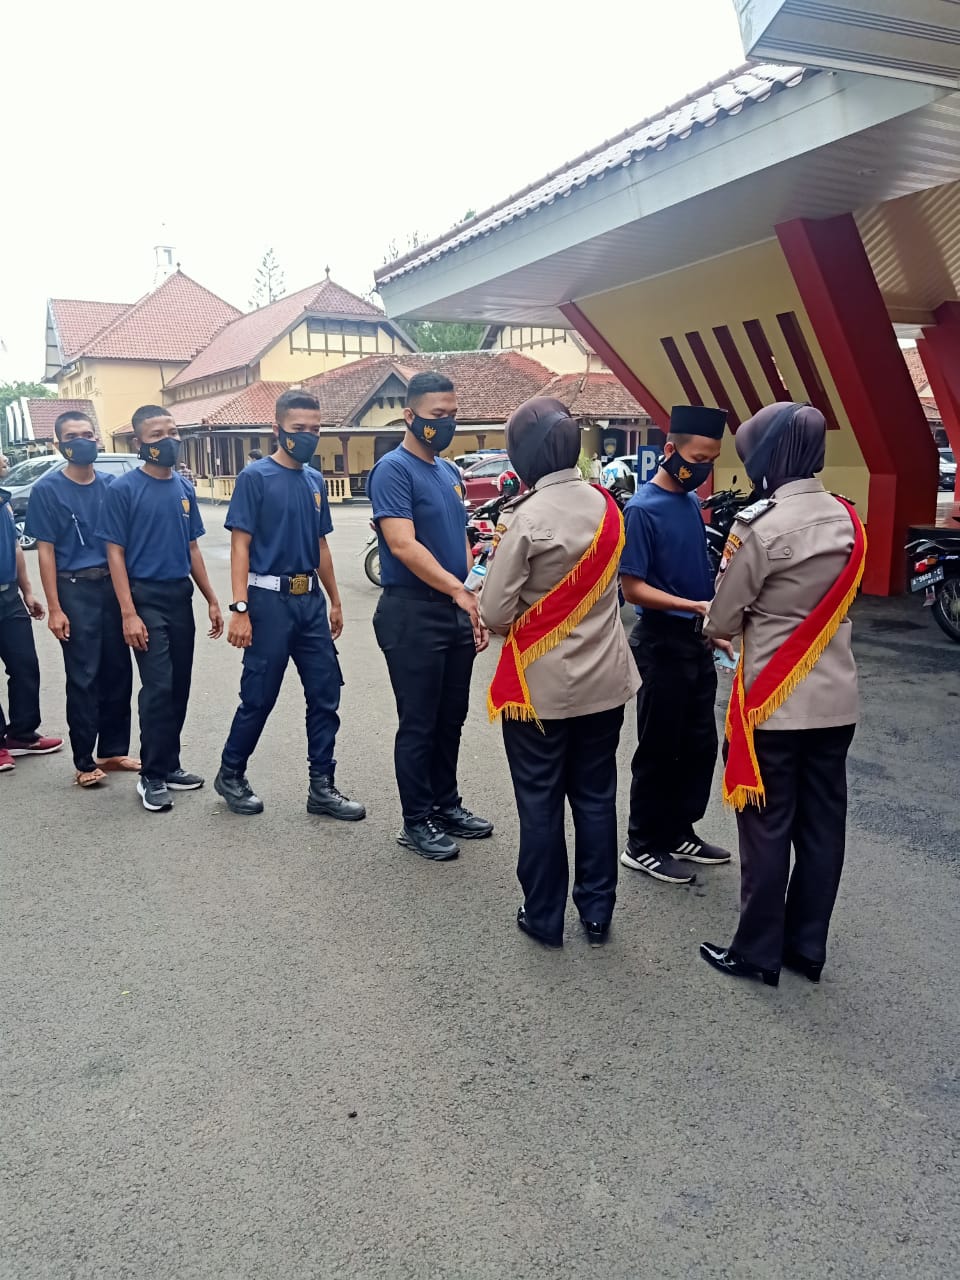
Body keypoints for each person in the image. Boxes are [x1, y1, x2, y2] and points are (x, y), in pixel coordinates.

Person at [699, 403, 865, 987]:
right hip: (836, 700)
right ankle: (805, 948)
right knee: (822, 827)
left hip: (773, 702)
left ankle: (757, 952)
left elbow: (722, 618)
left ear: (769, 456)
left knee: (766, 827)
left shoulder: (759, 526)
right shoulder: (849, 518)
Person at [481, 398, 640, 947]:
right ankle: (597, 912)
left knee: (540, 800)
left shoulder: (524, 517)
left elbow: (494, 612)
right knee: (596, 796)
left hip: (539, 687)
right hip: (607, 681)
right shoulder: (608, 505)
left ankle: (544, 915)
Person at [214, 389, 364, 821]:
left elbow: (321, 546)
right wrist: (239, 609)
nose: (308, 435)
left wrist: (335, 600)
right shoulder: (255, 478)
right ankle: (231, 773)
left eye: (315, 428)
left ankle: (322, 786)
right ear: (277, 429)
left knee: (325, 693)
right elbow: (240, 545)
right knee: (259, 696)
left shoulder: (315, 481)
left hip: (309, 602)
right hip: (268, 601)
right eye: (299, 428)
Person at [367, 371, 493, 861]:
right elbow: (402, 544)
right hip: (411, 612)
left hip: (452, 609)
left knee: (450, 718)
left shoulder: (448, 472)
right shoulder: (393, 470)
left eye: (452, 414)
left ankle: (446, 804)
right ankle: (416, 819)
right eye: (437, 415)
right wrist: (458, 591)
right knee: (419, 721)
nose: (446, 423)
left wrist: (472, 598)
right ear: (410, 415)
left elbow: (458, 540)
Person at [619, 405, 734, 885]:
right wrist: (693, 606)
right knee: (659, 747)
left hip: (695, 641)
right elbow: (632, 589)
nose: (703, 469)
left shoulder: (689, 502)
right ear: (669, 451)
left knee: (698, 745)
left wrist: (710, 627)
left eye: (711, 460)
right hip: (660, 644)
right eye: (697, 459)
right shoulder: (641, 509)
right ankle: (642, 843)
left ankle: (680, 830)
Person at [98, 404, 223, 813]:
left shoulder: (183, 488)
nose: (168, 441)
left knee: (179, 684)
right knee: (158, 686)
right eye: (157, 436)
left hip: (178, 596)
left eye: (172, 432)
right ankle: (150, 775)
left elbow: (192, 548)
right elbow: (114, 553)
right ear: (139, 442)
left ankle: (169, 764)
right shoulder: (123, 490)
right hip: (144, 597)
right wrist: (128, 612)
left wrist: (211, 598)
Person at [25, 410, 138, 787]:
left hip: (112, 586)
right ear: (59, 444)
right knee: (84, 676)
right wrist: (55, 608)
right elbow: (45, 552)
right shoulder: (47, 490)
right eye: (73, 436)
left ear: (98, 439)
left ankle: (113, 750)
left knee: (118, 671)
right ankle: (85, 760)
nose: (83, 441)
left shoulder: (111, 485)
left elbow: (123, 543)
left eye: (88, 434)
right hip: (74, 589)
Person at [0, 483, 63, 773]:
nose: (4, 461)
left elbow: (15, 548)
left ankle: (21, 734)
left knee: (25, 666)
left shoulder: (4, 501)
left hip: (9, 597)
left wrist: (27, 592)